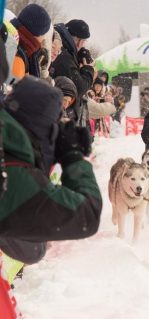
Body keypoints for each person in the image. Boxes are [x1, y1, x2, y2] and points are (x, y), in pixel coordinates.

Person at [0, 76, 102, 266]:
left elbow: (30, 249)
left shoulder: (7, 147)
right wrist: (72, 156)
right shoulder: (11, 173)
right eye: (53, 127)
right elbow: (88, 215)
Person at [52, 19, 94, 100]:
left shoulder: (64, 49)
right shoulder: (64, 58)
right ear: (79, 42)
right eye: (84, 41)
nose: (83, 45)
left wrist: (80, 55)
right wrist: (88, 70)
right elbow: (78, 89)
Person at [10, 4, 52, 79]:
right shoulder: (18, 57)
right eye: (44, 34)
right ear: (36, 33)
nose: (43, 39)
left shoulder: (9, 39)